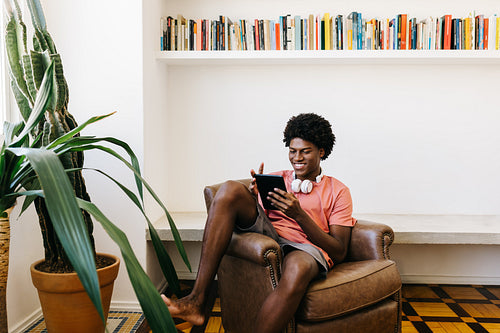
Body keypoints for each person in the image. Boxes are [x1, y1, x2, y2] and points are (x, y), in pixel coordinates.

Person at [162, 113, 356, 333]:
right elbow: (255, 213)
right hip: (269, 234)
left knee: (299, 268)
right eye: (292, 151)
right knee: (230, 189)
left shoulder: (338, 191)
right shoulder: (278, 179)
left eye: (305, 151)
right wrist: (253, 197)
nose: (297, 157)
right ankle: (196, 301)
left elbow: (339, 251)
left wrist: (299, 215)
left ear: (321, 151)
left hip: (306, 249)